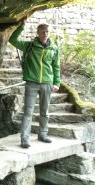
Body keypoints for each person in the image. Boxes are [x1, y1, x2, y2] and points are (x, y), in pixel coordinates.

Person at [9, 20, 60, 148]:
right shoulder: (29, 45)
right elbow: (12, 40)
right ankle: (24, 139)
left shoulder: (53, 48)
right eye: (42, 31)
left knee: (45, 111)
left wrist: (56, 83)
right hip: (32, 82)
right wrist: (21, 27)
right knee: (28, 112)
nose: (45, 33)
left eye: (47, 31)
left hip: (47, 83)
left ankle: (43, 134)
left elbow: (56, 67)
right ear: (37, 33)